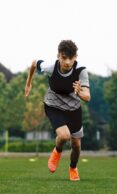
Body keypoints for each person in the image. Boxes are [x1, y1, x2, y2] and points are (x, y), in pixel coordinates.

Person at [24, 40, 91, 181]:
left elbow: (87, 97)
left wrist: (79, 92)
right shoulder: (50, 67)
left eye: (71, 58)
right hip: (53, 105)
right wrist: (29, 83)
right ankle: (57, 151)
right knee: (64, 136)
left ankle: (73, 168)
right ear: (58, 56)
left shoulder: (81, 71)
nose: (67, 62)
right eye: (64, 57)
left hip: (73, 108)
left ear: (75, 57)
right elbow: (34, 63)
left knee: (76, 144)